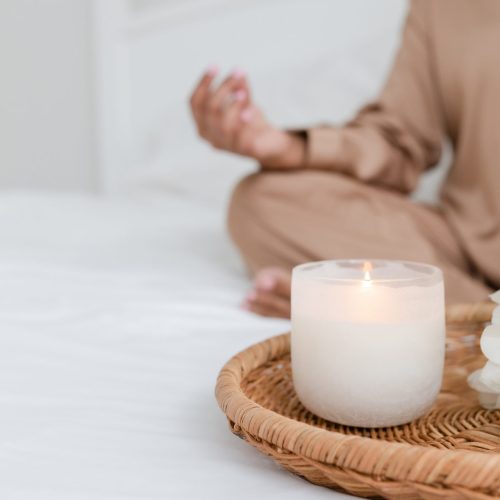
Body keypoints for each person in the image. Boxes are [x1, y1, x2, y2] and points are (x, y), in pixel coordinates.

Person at [189, 0, 500, 318]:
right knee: (260, 203)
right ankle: (470, 316)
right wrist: (287, 147)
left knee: (358, 293)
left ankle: (402, 311)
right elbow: (398, 140)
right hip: (471, 241)